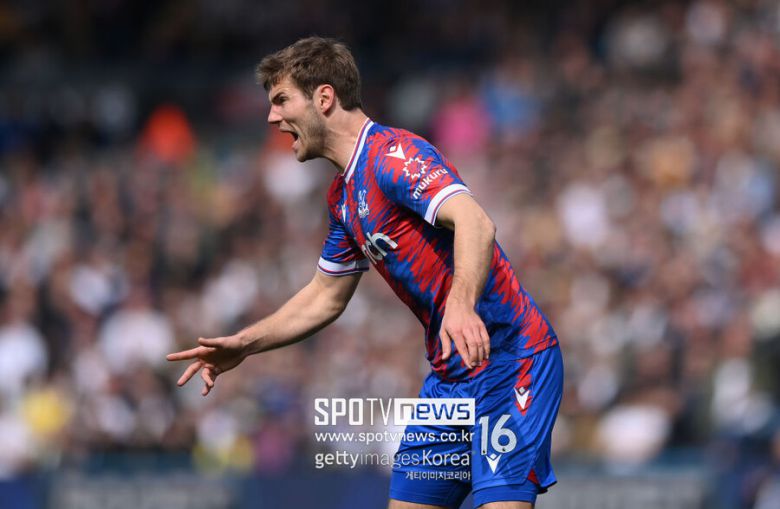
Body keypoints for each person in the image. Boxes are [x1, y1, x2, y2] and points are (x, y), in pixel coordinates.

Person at [167, 37, 563, 509]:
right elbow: (325, 296)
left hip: (511, 358)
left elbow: (475, 221)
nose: (272, 117)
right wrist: (245, 343)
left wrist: (460, 305)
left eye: (281, 100)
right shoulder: (343, 197)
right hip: (451, 379)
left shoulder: (394, 155)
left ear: (324, 98)